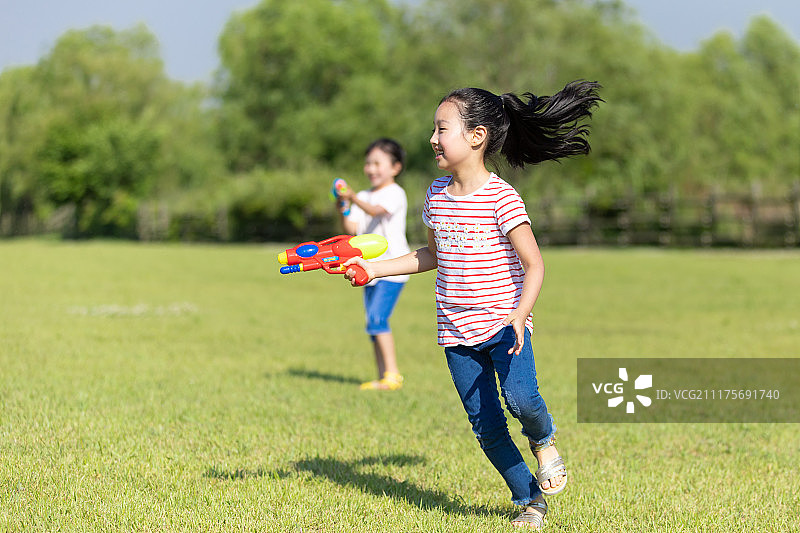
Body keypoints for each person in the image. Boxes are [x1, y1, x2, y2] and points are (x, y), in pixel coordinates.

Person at [343, 81, 601, 528]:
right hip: (455, 333)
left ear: (477, 136)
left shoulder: (502, 197)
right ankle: (530, 500)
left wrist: (520, 314)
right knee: (486, 426)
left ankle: (544, 439)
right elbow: (431, 255)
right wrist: (374, 270)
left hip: (505, 325)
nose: (433, 138)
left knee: (522, 400)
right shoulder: (435, 196)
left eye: (442, 129)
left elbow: (534, 264)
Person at [338, 138, 411, 391]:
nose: (371, 168)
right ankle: (383, 377)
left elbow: (375, 211)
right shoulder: (363, 195)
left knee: (377, 318)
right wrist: (343, 205)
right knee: (372, 323)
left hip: (393, 268)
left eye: (378, 163)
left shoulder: (395, 193)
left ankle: (393, 375)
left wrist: (352, 198)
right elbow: (351, 228)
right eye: (368, 163)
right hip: (367, 269)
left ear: (395, 167)